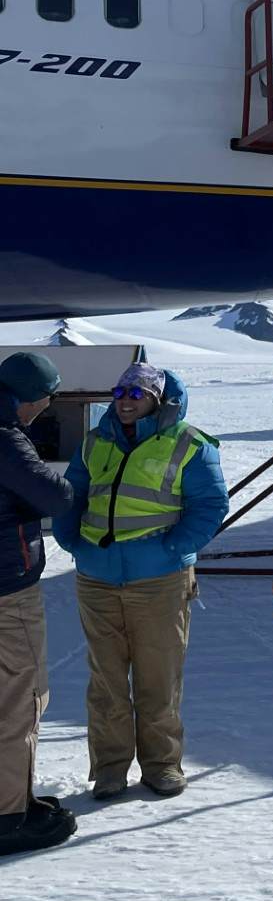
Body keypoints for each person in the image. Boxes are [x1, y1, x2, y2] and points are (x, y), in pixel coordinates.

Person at [53, 362, 228, 800]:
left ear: (159, 399)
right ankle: (110, 768)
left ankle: (162, 764)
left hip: (160, 580)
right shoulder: (95, 442)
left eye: (137, 393)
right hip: (97, 576)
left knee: (158, 677)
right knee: (107, 679)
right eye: (120, 392)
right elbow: (71, 493)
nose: (126, 401)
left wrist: (172, 550)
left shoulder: (190, 444)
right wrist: (71, 539)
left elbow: (210, 504)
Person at [0, 351, 77, 857]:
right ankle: (9, 817)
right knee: (18, 701)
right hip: (8, 589)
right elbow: (56, 497)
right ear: (33, 398)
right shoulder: (6, 438)